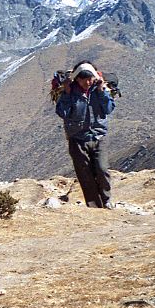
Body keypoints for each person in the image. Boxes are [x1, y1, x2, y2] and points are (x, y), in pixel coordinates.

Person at [54, 61, 115, 208]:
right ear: (77, 79)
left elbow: (108, 109)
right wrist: (67, 94)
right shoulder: (70, 92)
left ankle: (106, 200)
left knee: (102, 169)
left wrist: (101, 92)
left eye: (91, 79)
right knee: (85, 175)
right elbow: (62, 112)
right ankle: (94, 206)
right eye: (85, 79)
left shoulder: (99, 89)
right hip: (77, 138)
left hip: (98, 136)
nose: (88, 82)